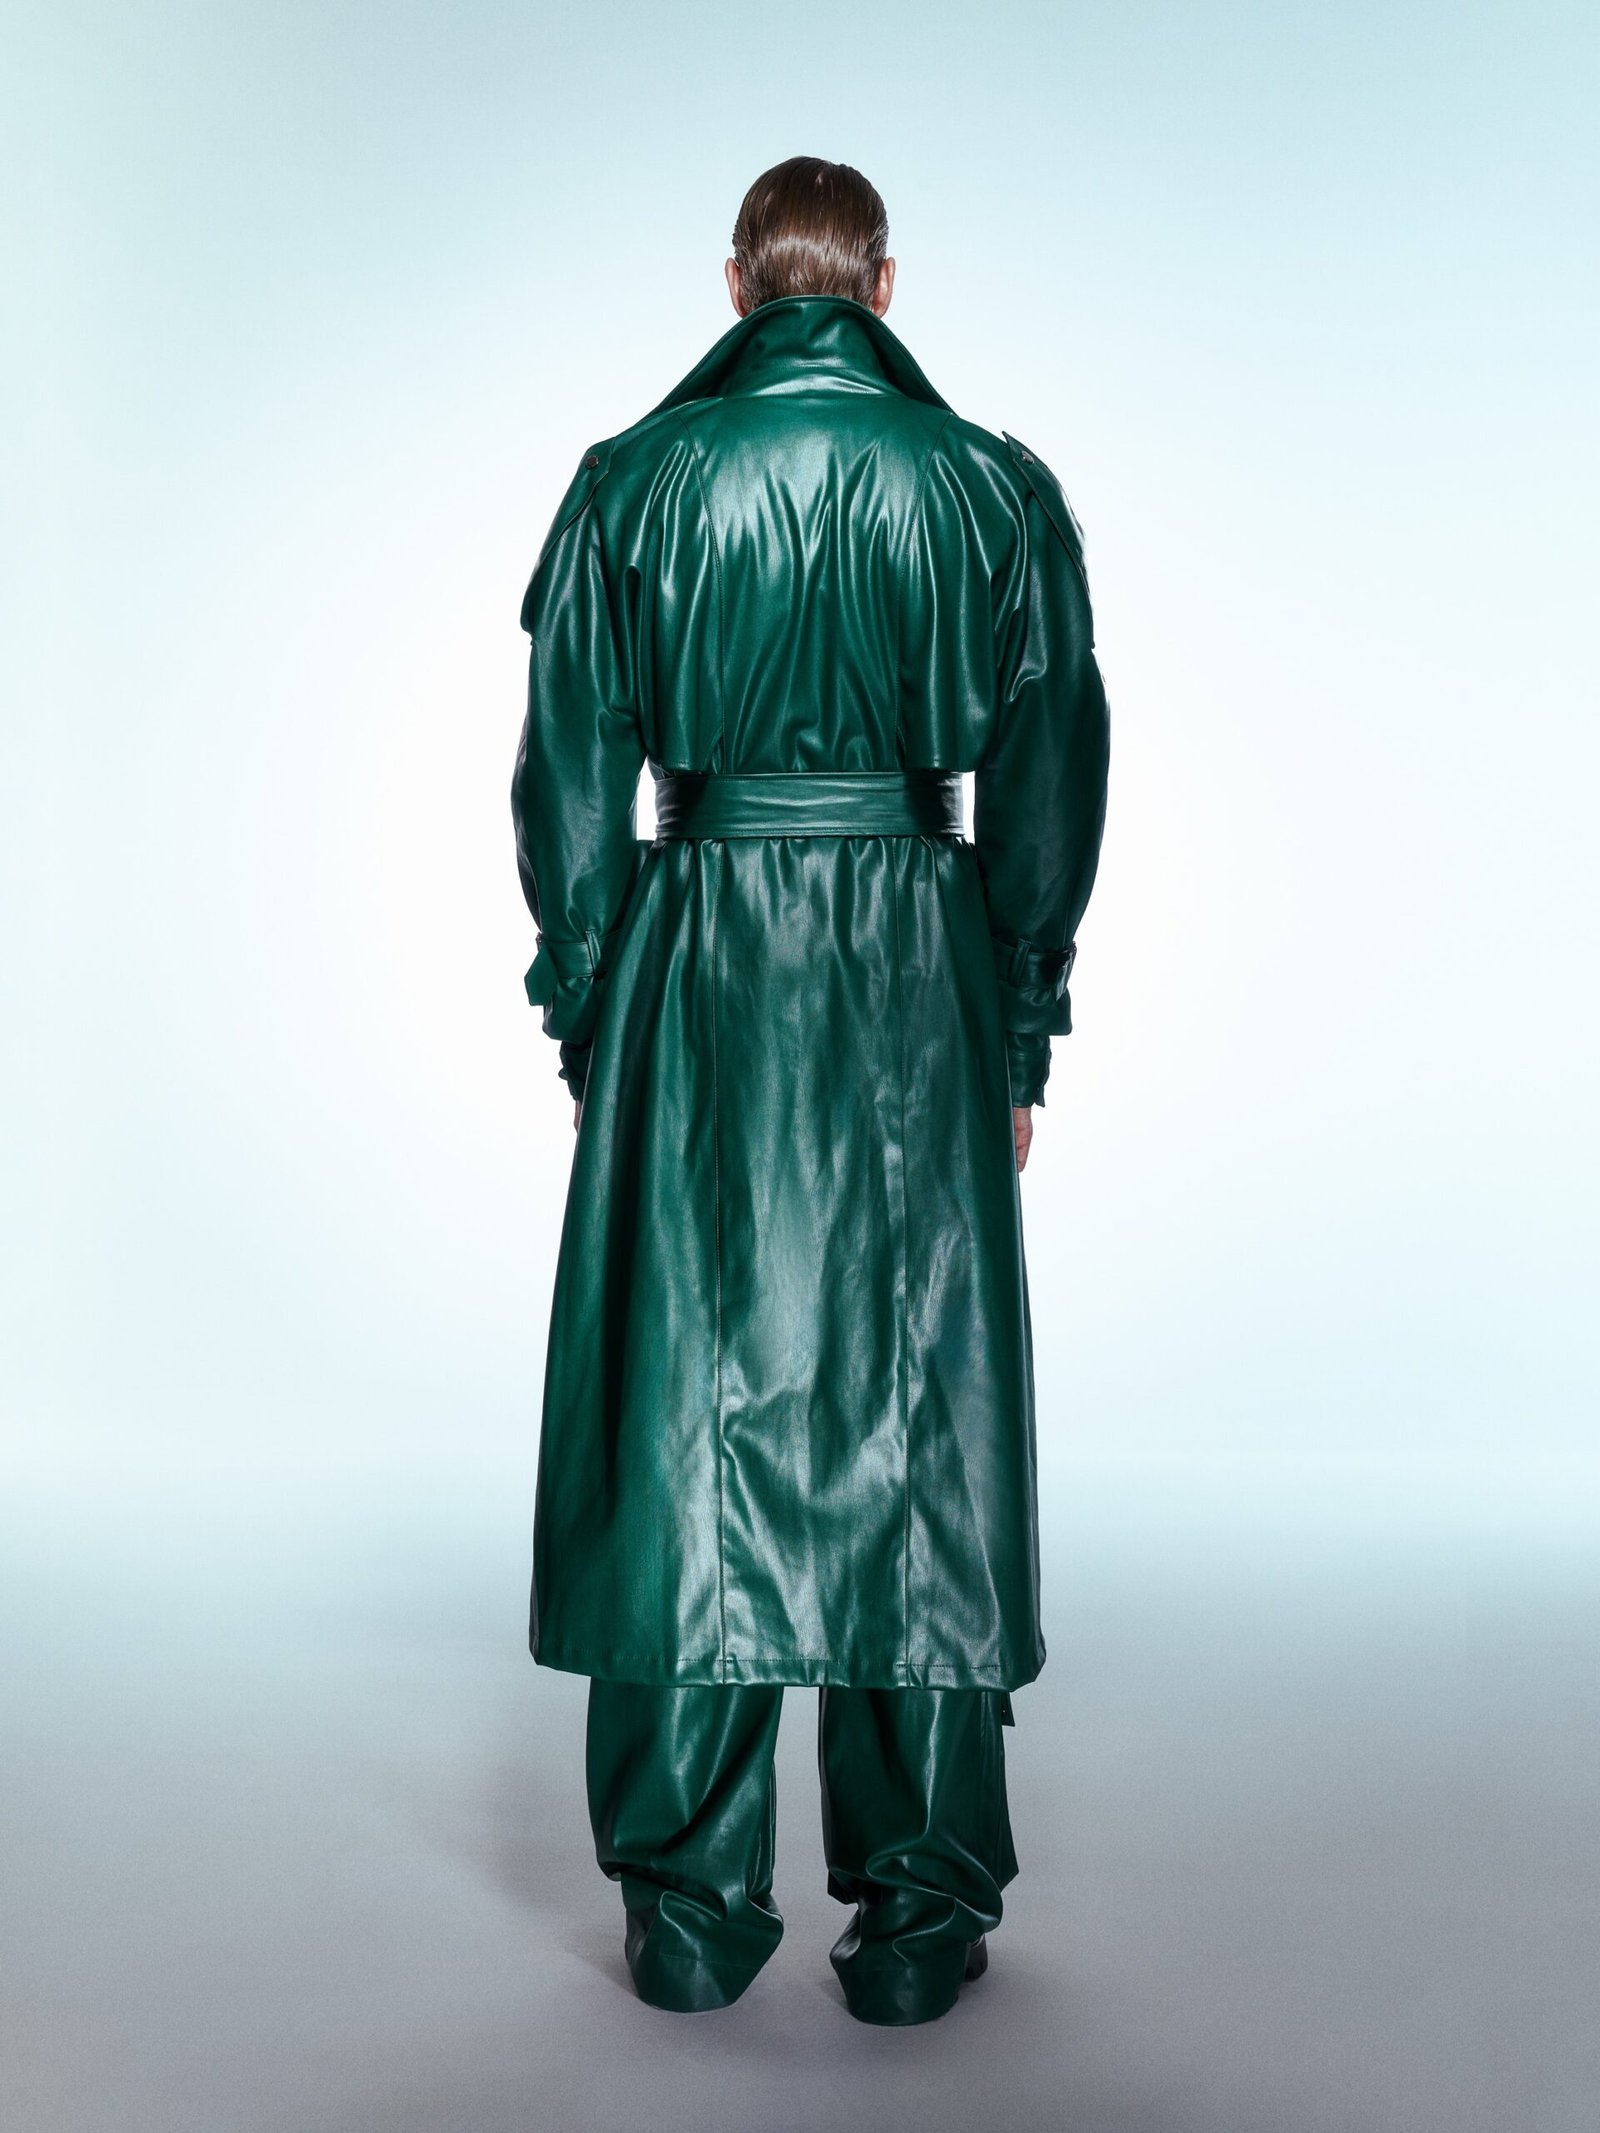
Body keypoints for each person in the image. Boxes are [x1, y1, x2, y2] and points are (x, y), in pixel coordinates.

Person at [510, 156, 1110, 2026]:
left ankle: (688, 1912)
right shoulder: (994, 490)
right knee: (923, 1412)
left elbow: (564, 775)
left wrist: (592, 1007)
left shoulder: (632, 483)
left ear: (738, 284)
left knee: (681, 1405)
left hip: (700, 950)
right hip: (916, 961)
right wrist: (1018, 1022)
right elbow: (1052, 775)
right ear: (883, 286)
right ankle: (920, 1918)